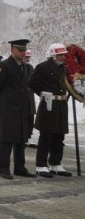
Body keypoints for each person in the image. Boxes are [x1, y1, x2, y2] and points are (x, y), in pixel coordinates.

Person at [0, 39, 37, 180]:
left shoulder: (25, 66)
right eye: (20, 50)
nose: (23, 53)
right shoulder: (3, 66)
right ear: (12, 50)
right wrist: (6, 99)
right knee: (6, 140)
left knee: (21, 140)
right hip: (8, 109)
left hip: (22, 109)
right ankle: (4, 169)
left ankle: (19, 168)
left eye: (24, 51)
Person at [30, 43, 73, 178]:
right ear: (53, 55)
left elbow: (68, 84)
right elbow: (32, 83)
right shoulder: (43, 67)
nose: (62, 57)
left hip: (61, 105)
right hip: (49, 104)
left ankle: (55, 163)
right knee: (46, 136)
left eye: (63, 55)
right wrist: (42, 92)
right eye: (60, 55)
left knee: (59, 136)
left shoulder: (64, 69)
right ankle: (41, 165)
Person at [23, 49, 37, 148]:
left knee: (30, 118)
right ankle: (23, 137)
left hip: (30, 98)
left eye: (29, 57)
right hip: (21, 98)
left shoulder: (30, 67)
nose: (28, 59)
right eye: (26, 57)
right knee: (22, 119)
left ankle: (29, 136)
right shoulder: (17, 68)